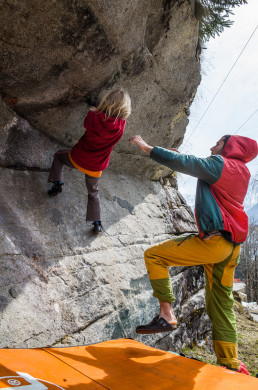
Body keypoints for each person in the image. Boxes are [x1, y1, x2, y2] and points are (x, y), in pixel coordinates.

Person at [130, 134, 258, 375]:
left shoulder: (221, 163)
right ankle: (230, 363)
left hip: (215, 242)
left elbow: (190, 164)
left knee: (154, 256)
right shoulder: (242, 171)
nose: (212, 146)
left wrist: (149, 148)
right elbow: (197, 168)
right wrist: (180, 157)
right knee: (221, 304)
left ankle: (166, 314)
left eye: (218, 143)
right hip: (232, 248)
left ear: (229, 147)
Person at [48, 89, 131, 233]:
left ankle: (57, 183)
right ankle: (97, 223)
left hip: (78, 158)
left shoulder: (93, 115)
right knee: (93, 193)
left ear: (106, 101)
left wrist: (94, 109)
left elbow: (86, 125)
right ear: (124, 108)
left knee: (59, 156)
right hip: (95, 167)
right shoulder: (120, 126)